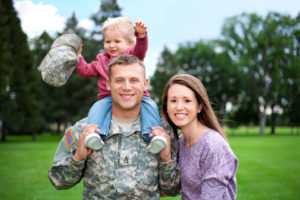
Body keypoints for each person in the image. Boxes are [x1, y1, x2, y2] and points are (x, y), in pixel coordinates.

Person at [48, 55, 180, 199]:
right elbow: (58, 181)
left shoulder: (163, 133)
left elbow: (173, 190)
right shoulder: (83, 129)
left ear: (145, 84)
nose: (127, 87)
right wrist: (78, 157)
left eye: (134, 80)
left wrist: (166, 159)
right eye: (119, 80)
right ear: (108, 84)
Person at [76, 16, 166, 153]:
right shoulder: (101, 60)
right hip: (107, 97)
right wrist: (78, 58)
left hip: (138, 98)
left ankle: (154, 136)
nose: (111, 45)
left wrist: (141, 36)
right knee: (97, 108)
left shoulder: (132, 56)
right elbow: (86, 71)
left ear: (130, 43)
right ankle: (95, 135)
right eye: (108, 41)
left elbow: (141, 50)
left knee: (150, 107)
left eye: (117, 41)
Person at [161, 74, 238, 200]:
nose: (179, 107)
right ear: (167, 107)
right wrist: (165, 157)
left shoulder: (213, 146)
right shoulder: (180, 142)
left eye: (187, 100)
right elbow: (167, 190)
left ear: (199, 106)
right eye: (173, 100)